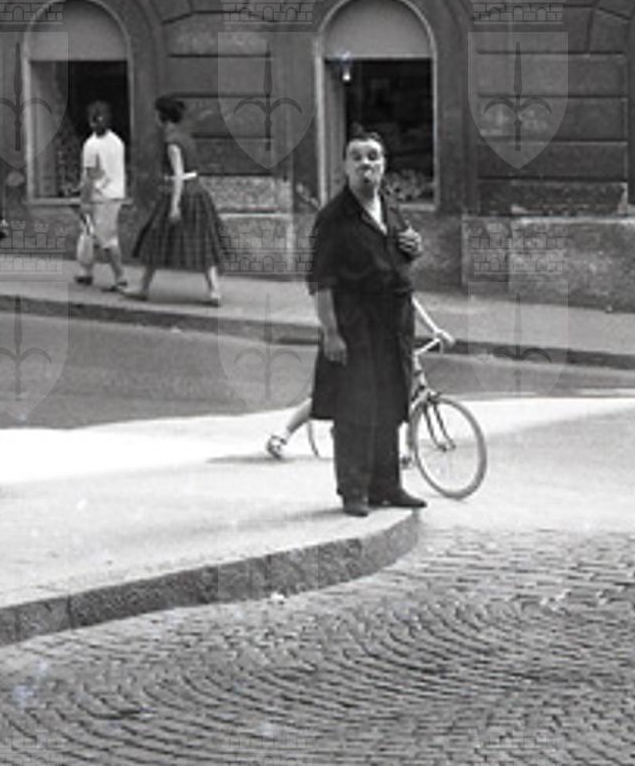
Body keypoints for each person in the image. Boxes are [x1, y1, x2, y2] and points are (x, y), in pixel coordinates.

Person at [307, 129, 429, 516]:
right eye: (357, 157)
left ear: (383, 165)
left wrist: (415, 246)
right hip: (355, 325)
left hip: (393, 325)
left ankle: (387, 486)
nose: (366, 164)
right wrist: (331, 333)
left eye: (373, 157)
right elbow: (320, 281)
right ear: (345, 166)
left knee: (391, 404)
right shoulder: (333, 218)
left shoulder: (389, 207)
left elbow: (402, 248)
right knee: (355, 408)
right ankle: (354, 490)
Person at [266, 297, 452, 459]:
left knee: (403, 392)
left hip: (393, 341)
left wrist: (435, 330)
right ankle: (282, 434)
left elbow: (410, 300)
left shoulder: (398, 279)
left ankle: (406, 449)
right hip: (364, 338)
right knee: (335, 392)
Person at [129, 96, 229, 306]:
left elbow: (178, 175)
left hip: (177, 193)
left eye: (156, 114)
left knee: (155, 239)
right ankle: (214, 290)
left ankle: (143, 287)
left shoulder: (171, 142)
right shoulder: (185, 136)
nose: (154, 117)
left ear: (161, 116)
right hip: (197, 193)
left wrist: (174, 205)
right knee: (202, 241)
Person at [73, 101, 130, 294]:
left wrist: (84, 201)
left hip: (100, 196)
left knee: (106, 239)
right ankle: (85, 271)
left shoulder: (91, 146)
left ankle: (120, 277)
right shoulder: (117, 142)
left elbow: (89, 176)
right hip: (115, 193)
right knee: (89, 232)